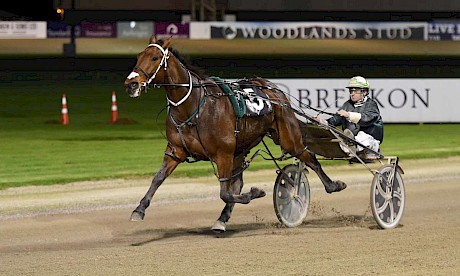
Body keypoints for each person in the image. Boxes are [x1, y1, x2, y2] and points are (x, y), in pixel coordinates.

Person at [318, 76, 384, 157]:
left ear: (364, 92)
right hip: (351, 140)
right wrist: (321, 121)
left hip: (371, 141)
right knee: (337, 136)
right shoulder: (347, 104)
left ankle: (351, 143)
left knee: (362, 136)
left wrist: (349, 115)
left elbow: (367, 119)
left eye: (355, 91)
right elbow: (336, 119)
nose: (352, 93)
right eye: (351, 91)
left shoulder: (371, 104)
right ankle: (350, 143)